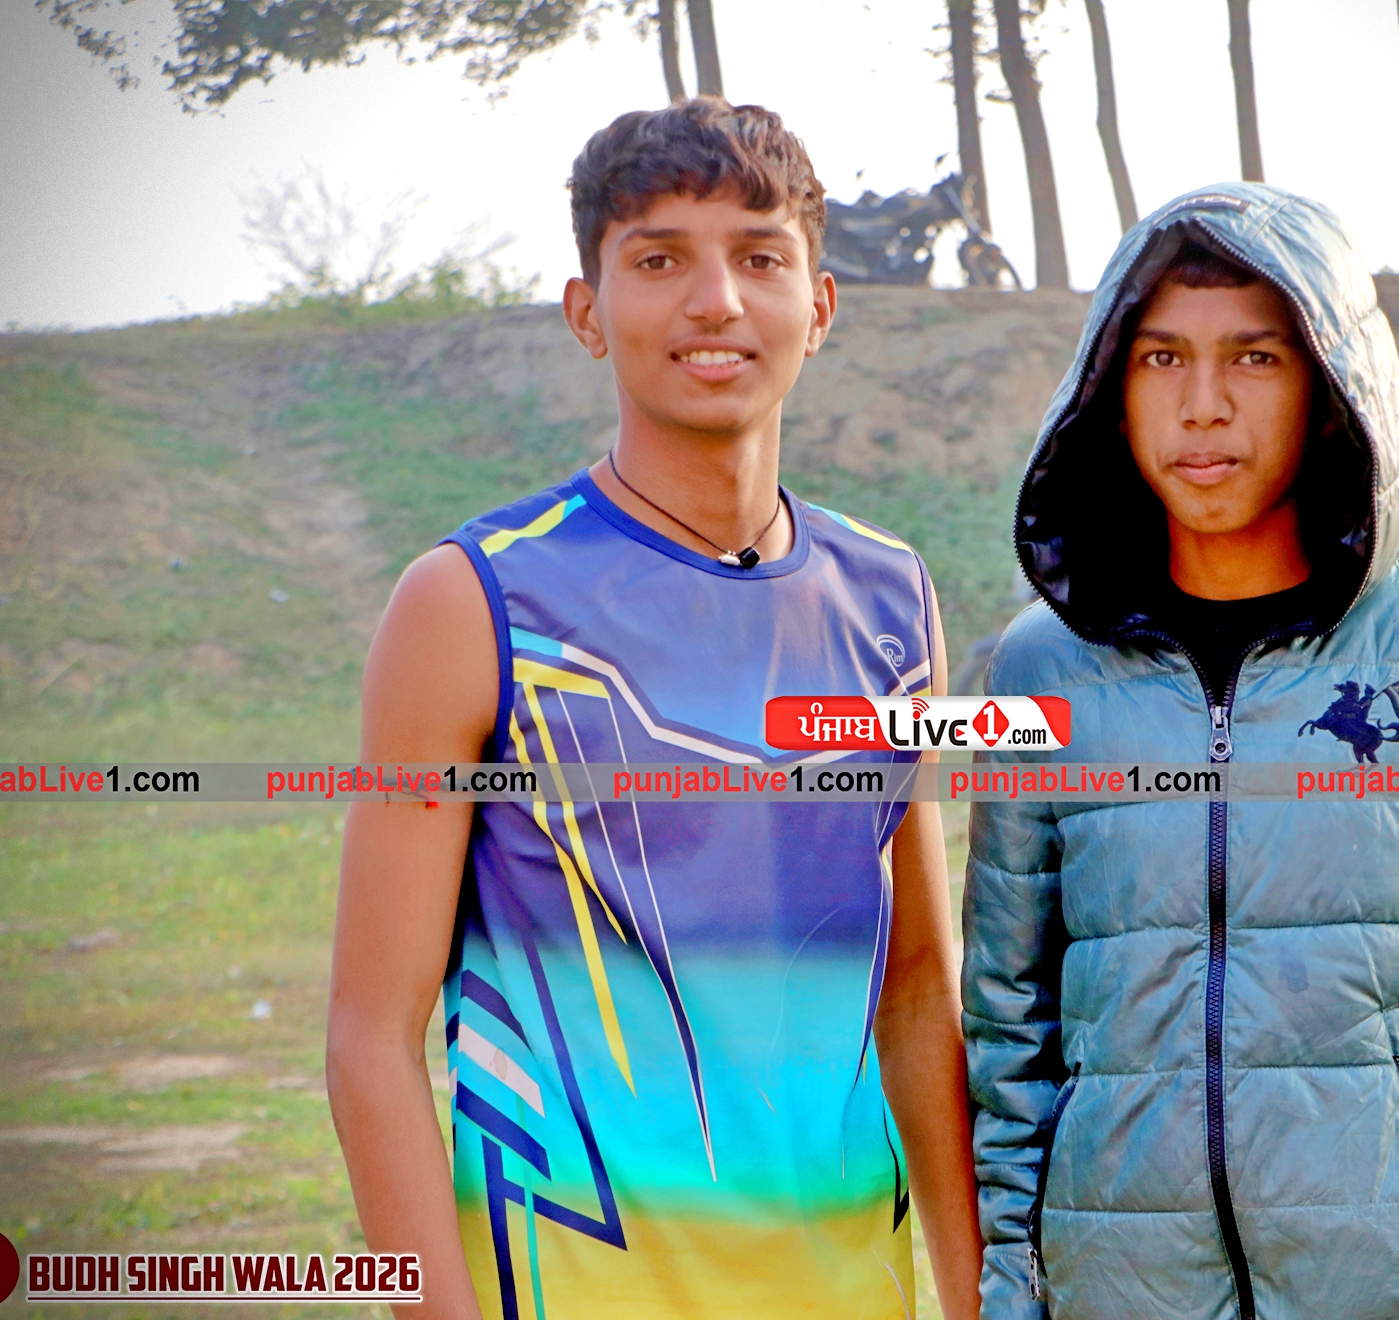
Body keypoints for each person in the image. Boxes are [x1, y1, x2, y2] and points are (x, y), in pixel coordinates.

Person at [964, 182, 1399, 1319]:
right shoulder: (1042, 672)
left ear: (1333, 386)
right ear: (1108, 388)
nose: (1203, 406)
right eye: (1160, 358)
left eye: (1254, 358)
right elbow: (1011, 1045)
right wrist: (1015, 1297)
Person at [327, 98, 982, 1320]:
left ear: (820, 306)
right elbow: (372, 1035)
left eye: (759, 258)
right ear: (587, 311)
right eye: (661, 259)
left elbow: (915, 995)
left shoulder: (893, 599)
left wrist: (977, 1294)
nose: (716, 300)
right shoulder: (472, 604)